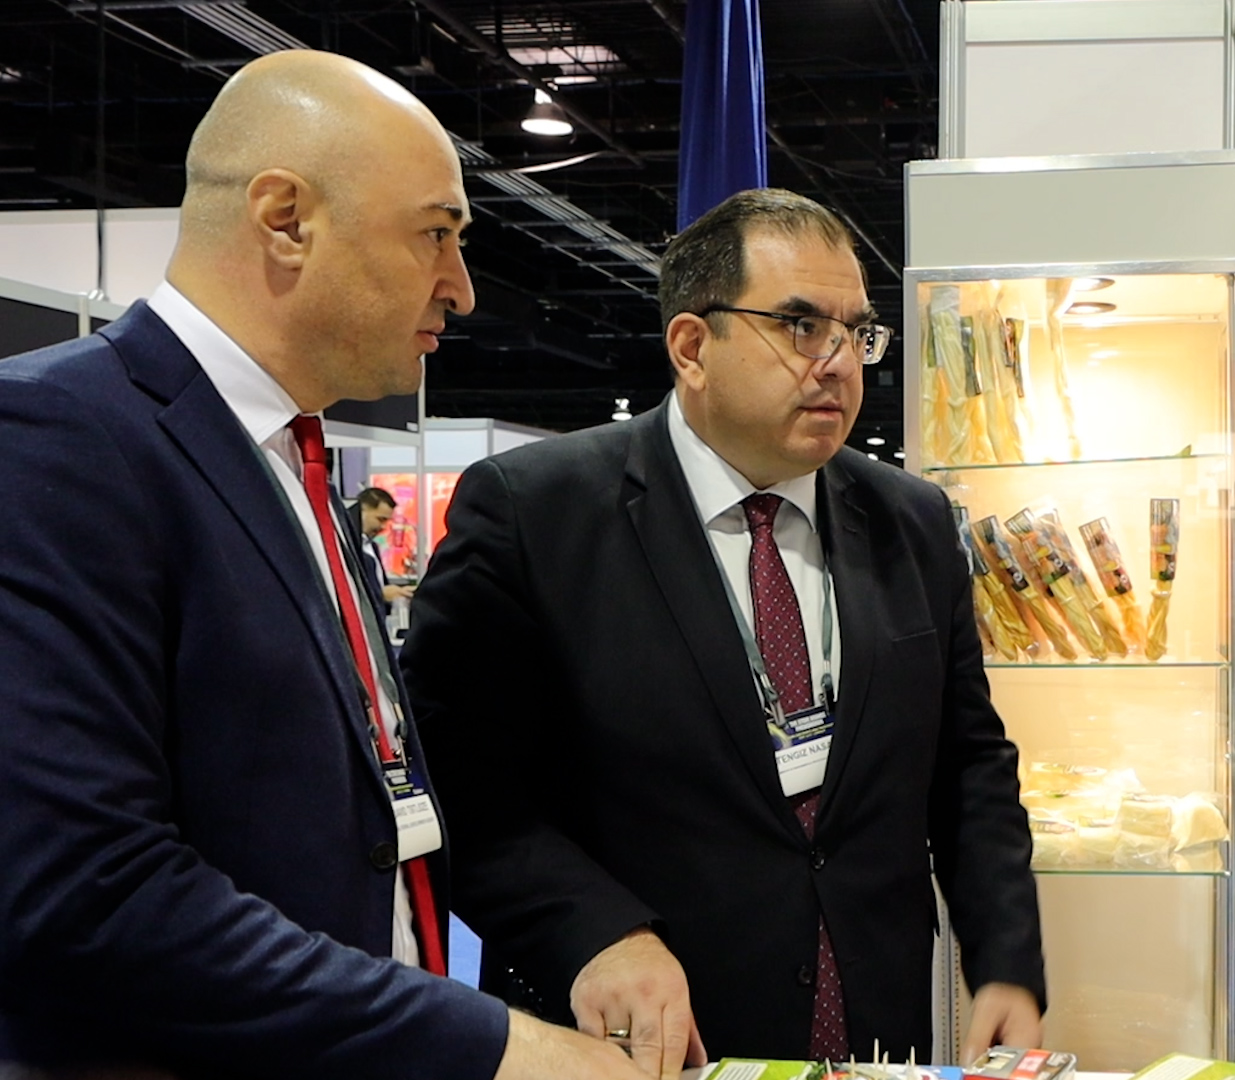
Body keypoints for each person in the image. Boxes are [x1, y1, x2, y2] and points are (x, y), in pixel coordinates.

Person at [0, 50, 639, 1080]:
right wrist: (488, 1044)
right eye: (436, 233)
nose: (462, 288)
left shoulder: (285, 459)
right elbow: (85, 893)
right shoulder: (56, 438)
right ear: (286, 219)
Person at [400, 188, 1046, 1078]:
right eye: (800, 325)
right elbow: (459, 785)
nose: (838, 362)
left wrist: (1005, 953)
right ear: (692, 347)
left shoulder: (913, 521)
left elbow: (968, 762)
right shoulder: (535, 514)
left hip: (873, 1024)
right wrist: (598, 932)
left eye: (857, 331)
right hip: (643, 1039)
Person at [355, 486, 416, 612]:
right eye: (380, 519)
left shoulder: (372, 547)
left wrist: (398, 592)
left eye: (386, 521)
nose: (383, 526)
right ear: (362, 511)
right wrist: (380, 595)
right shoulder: (348, 546)